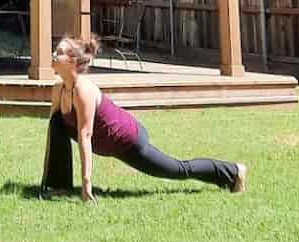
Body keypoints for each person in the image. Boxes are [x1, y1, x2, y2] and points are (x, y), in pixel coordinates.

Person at [50, 34, 246, 202]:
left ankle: (233, 172)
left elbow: (85, 135)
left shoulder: (83, 90)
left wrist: (86, 184)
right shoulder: (59, 88)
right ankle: (59, 184)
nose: (53, 55)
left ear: (72, 62)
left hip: (129, 142)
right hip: (107, 144)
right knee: (57, 122)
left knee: (178, 170)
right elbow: (55, 131)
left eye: (59, 52)